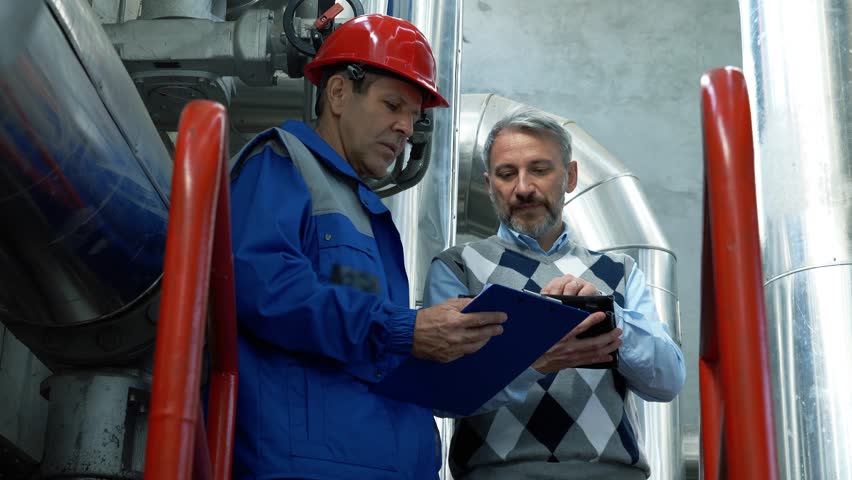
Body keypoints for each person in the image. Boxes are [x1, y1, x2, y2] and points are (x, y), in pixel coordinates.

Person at [227, 14, 507, 480]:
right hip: (309, 465)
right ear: (338, 93)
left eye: (413, 117)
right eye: (392, 104)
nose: (404, 128)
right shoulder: (280, 163)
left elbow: (374, 349)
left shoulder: (365, 210)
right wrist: (405, 329)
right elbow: (267, 290)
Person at [424, 108, 685, 479]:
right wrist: (533, 360)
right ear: (488, 183)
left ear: (571, 176)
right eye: (506, 173)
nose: (524, 188)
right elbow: (444, 391)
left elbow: (668, 381)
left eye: (540, 170)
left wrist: (607, 316)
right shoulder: (459, 267)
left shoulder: (619, 271)